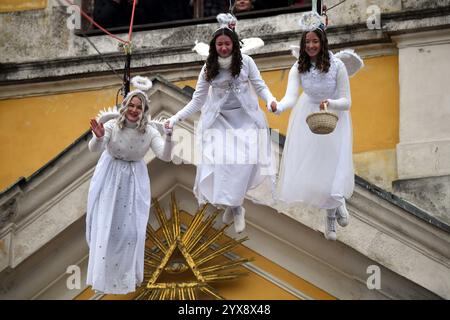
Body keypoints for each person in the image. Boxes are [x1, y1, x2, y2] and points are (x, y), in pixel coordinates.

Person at [165, 14, 277, 234]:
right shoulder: (208, 69)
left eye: (227, 44)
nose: (223, 48)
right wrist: (175, 118)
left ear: (233, 45)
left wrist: (271, 100)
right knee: (224, 161)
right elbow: (197, 101)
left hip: (246, 119)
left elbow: (260, 86)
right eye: (219, 44)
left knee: (244, 161)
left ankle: (235, 204)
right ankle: (235, 207)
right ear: (214, 47)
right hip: (220, 121)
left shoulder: (247, 63)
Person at [271, 15, 353, 241]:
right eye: (307, 42)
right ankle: (332, 209)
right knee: (314, 167)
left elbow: (347, 101)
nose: (311, 46)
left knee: (331, 162)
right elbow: (290, 96)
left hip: (334, 116)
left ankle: (336, 206)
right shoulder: (298, 67)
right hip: (307, 116)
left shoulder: (338, 66)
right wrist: (278, 107)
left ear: (322, 42)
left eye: (315, 41)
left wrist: (331, 103)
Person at [86, 81, 173, 294]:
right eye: (132, 105)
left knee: (131, 232)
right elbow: (94, 148)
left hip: (135, 179)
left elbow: (165, 155)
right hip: (110, 176)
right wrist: (98, 137)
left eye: (139, 107)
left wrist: (169, 136)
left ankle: (124, 275)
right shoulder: (111, 126)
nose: (134, 110)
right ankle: (102, 275)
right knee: (106, 225)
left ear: (144, 111)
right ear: (125, 106)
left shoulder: (150, 132)